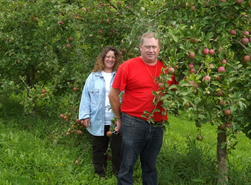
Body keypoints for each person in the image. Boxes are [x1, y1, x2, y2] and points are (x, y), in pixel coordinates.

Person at [108, 32, 177, 185]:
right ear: (140, 47)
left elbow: (178, 92)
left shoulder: (167, 69)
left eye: (154, 47)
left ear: (159, 48)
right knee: (127, 165)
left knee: (150, 166)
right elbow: (113, 95)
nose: (150, 50)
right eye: (147, 47)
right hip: (133, 122)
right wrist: (119, 118)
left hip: (157, 124)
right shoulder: (128, 66)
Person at [79, 46, 123, 178]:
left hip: (116, 120)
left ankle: (118, 174)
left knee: (117, 149)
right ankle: (100, 174)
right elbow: (85, 96)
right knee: (99, 148)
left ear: (116, 60)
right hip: (97, 119)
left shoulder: (120, 75)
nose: (110, 59)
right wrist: (85, 115)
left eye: (113, 57)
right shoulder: (93, 77)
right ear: (103, 59)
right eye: (108, 57)